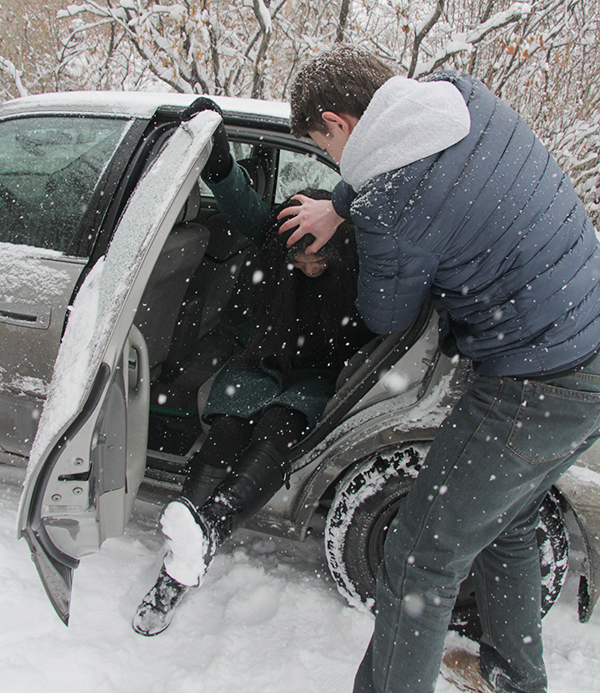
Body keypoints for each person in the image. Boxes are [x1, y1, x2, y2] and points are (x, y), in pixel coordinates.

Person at [280, 45, 600, 693]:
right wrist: (339, 203)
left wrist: (356, 221)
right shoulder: (460, 96)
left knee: (418, 560)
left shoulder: (391, 208)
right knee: (508, 518)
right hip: (583, 336)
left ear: (339, 124)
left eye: (325, 145)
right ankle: (511, 677)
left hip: (535, 384)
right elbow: (393, 156)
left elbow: (387, 313)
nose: (335, 161)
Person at [132, 110, 374, 637]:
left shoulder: (355, 254)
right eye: (301, 258)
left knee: (274, 435)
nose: (311, 265)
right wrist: (215, 152)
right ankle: (178, 564)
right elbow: (241, 201)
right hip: (257, 359)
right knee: (224, 433)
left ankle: (209, 531)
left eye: (320, 259)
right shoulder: (277, 234)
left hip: (315, 372)